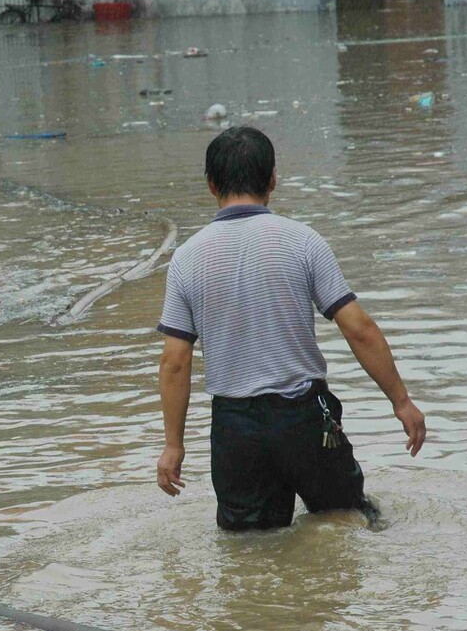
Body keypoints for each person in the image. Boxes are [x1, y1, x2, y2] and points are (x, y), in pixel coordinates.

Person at [154, 127, 425, 530]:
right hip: (304, 419)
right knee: (349, 520)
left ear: (211, 184)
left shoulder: (187, 258)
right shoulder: (303, 241)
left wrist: (173, 445)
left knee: (249, 545)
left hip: (235, 429)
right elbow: (360, 329)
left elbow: (175, 361)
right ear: (272, 180)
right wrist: (401, 401)